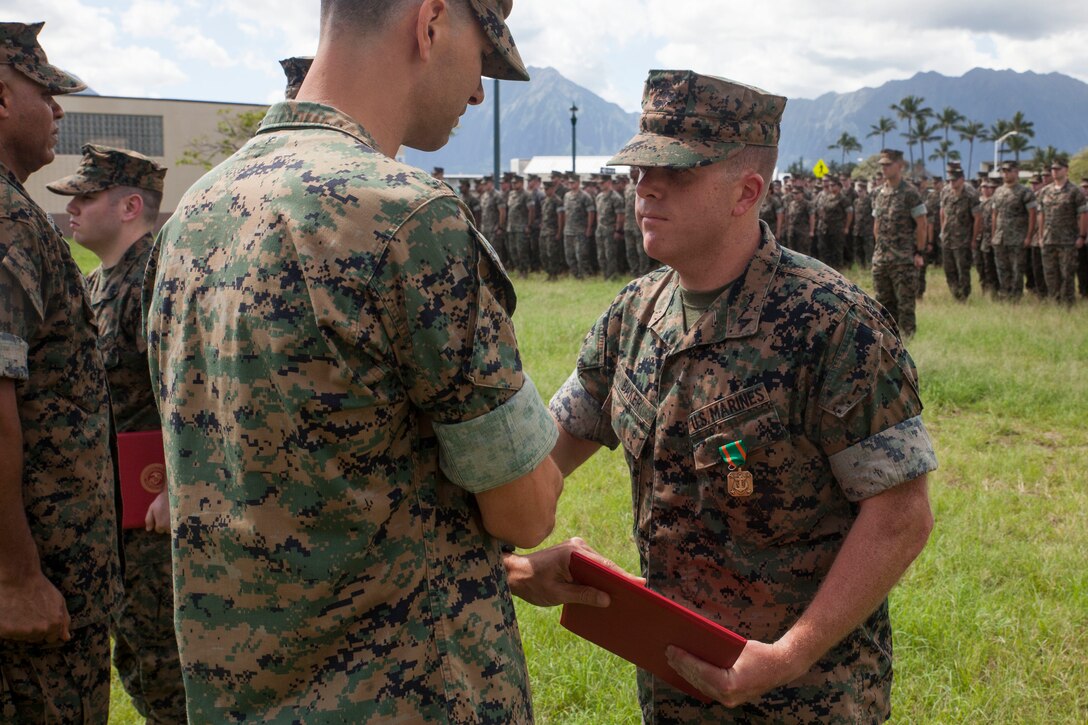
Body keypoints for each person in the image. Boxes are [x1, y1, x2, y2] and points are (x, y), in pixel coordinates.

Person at [145, 1, 563, 721]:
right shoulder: (405, 215)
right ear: (429, 21)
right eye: (482, 58)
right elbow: (525, 508)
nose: (476, 93)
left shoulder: (194, 214)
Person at [508, 70, 936, 723]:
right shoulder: (632, 316)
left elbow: (900, 514)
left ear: (746, 192)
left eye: (675, 173)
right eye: (639, 170)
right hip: (675, 689)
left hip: (807, 698)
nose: (646, 186)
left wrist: (792, 653)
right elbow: (541, 459)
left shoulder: (832, 323)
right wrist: (514, 566)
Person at [0, 21, 123, 723]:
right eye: (44, 91)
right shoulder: (6, 219)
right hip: (34, 588)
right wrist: (15, 575)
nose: (58, 110)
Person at [46, 144, 187, 723]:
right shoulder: (102, 283)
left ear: (131, 205)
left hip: (160, 517)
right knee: (138, 659)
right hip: (122, 513)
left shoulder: (156, 280)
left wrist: (179, 486)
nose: (71, 208)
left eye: (85, 196)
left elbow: (194, 390)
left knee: (168, 671)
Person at [872, 149, 927, 337]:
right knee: (883, 305)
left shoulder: (910, 193)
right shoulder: (879, 193)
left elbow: (922, 225)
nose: (884, 168)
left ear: (900, 166)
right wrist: (877, 251)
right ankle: (888, 342)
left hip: (903, 259)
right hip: (881, 260)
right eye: (882, 165)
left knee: (905, 305)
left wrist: (919, 253)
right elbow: (876, 225)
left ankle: (907, 343)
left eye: (888, 164)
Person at [1036, 158, 1087, 306]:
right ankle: (1055, 302)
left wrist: (1081, 236)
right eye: (1053, 169)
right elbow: (1041, 215)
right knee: (1050, 274)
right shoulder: (1045, 191)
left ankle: (1068, 304)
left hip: (1068, 240)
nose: (1054, 171)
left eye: (1058, 169)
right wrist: (1040, 236)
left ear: (1066, 170)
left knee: (1067, 274)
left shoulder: (1075, 191)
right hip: (1048, 239)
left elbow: (1083, 215)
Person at [991, 160, 1036, 302]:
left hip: (1017, 237)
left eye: (1008, 171)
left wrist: (1029, 236)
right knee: (1002, 268)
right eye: (1003, 171)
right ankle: (1005, 294)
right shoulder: (998, 191)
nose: (1005, 174)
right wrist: (993, 235)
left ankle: (1016, 297)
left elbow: (1032, 215)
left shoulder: (1025, 191)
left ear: (1016, 172)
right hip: (1000, 237)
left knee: (1017, 269)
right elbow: (995, 214)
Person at [938, 165, 981, 302]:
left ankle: (964, 296)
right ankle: (955, 294)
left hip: (963, 239)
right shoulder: (945, 191)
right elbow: (943, 211)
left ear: (962, 179)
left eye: (955, 180)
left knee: (963, 269)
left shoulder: (971, 194)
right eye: (950, 180)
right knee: (949, 269)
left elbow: (978, 218)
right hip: (948, 237)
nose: (952, 183)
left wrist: (974, 239)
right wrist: (942, 230)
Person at [560, 171, 596, 278]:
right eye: (570, 182)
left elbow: (591, 213)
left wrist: (589, 228)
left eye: (573, 182)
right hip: (568, 230)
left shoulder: (585, 196)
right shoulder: (566, 196)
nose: (571, 184)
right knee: (569, 254)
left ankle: (583, 274)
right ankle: (574, 273)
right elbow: (566, 212)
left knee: (581, 254)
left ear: (578, 182)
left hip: (580, 230)